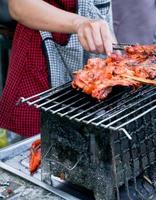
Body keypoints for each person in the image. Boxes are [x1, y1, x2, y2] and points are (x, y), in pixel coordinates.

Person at [0, 0, 116, 137]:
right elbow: (18, 5)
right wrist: (79, 23)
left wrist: (106, 35)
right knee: (35, 151)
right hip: (39, 65)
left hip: (90, 60)